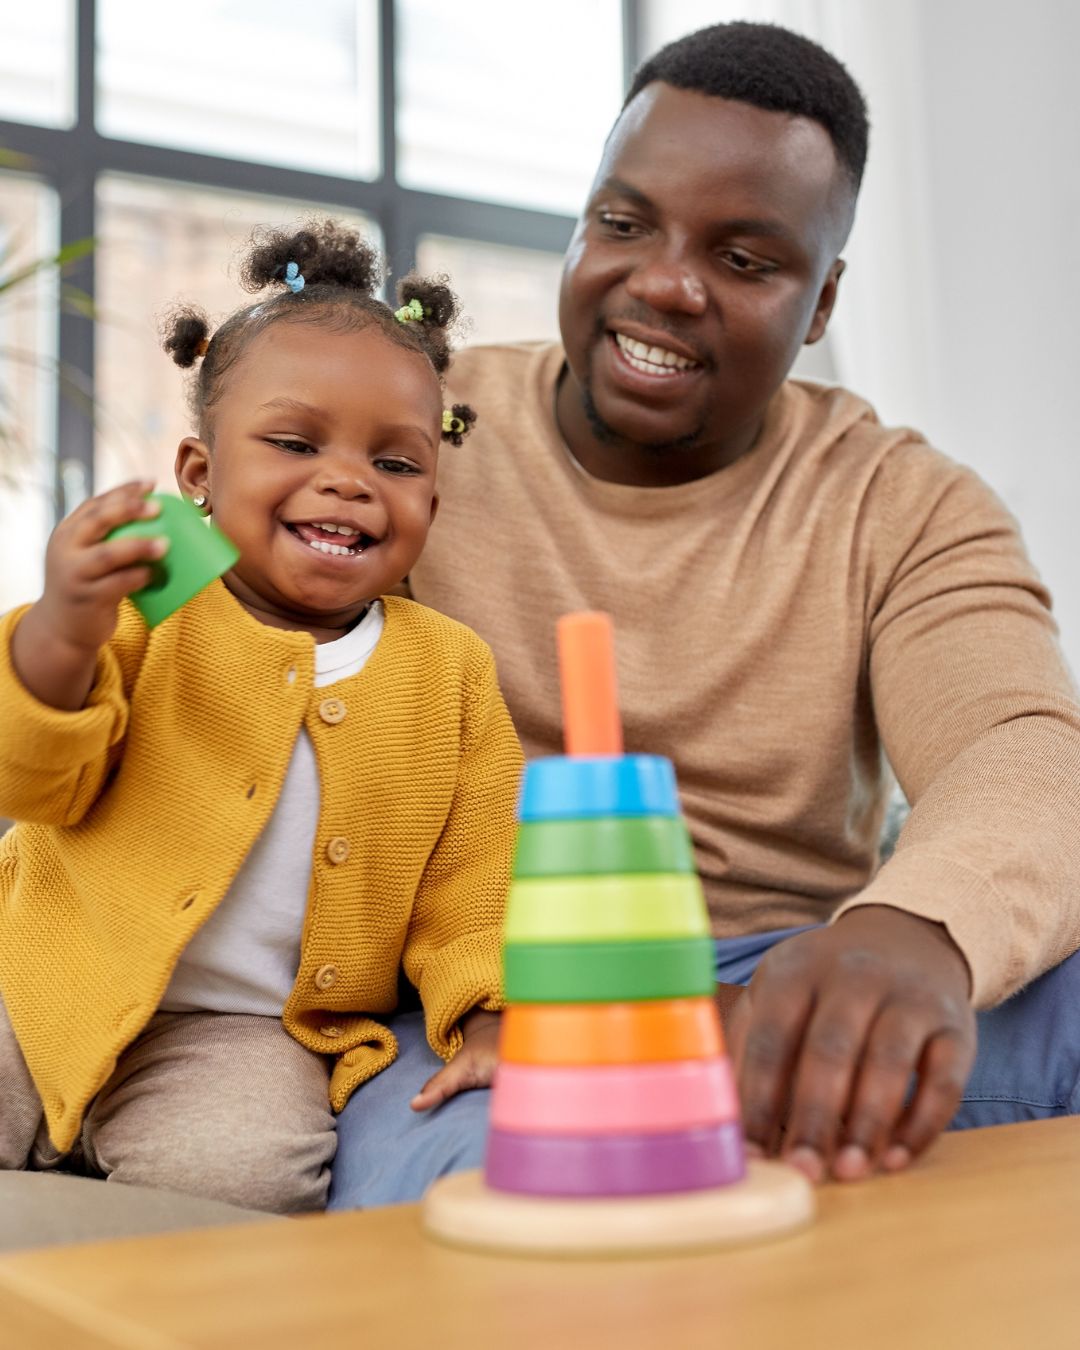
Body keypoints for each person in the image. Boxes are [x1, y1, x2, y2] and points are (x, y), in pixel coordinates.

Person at [402, 21, 1080, 1188]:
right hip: (495, 998)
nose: (664, 282)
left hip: (795, 987)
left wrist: (913, 931)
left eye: (747, 259)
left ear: (821, 305)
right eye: (623, 224)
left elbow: (1019, 745)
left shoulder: (900, 499)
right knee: (527, 1220)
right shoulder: (413, 429)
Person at [0, 220, 522, 1213]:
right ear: (199, 475)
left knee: (241, 1177)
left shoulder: (449, 670)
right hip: (36, 970)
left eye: (398, 463)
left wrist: (493, 1014)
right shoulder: (157, 597)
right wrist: (66, 625)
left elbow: (476, 880)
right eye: (294, 443)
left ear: (434, 506)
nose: (349, 479)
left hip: (238, 1032)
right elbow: (27, 778)